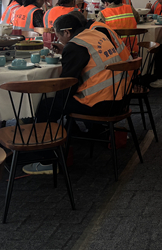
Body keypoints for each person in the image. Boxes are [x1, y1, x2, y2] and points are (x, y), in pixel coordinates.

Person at [24, 13, 132, 175]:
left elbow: (67, 85)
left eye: (59, 35)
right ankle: (69, 134)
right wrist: (67, 50)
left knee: (47, 106)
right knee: (57, 103)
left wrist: (54, 99)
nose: (58, 39)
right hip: (120, 98)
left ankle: (47, 160)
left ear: (67, 32)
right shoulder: (95, 34)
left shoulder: (75, 46)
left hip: (102, 103)